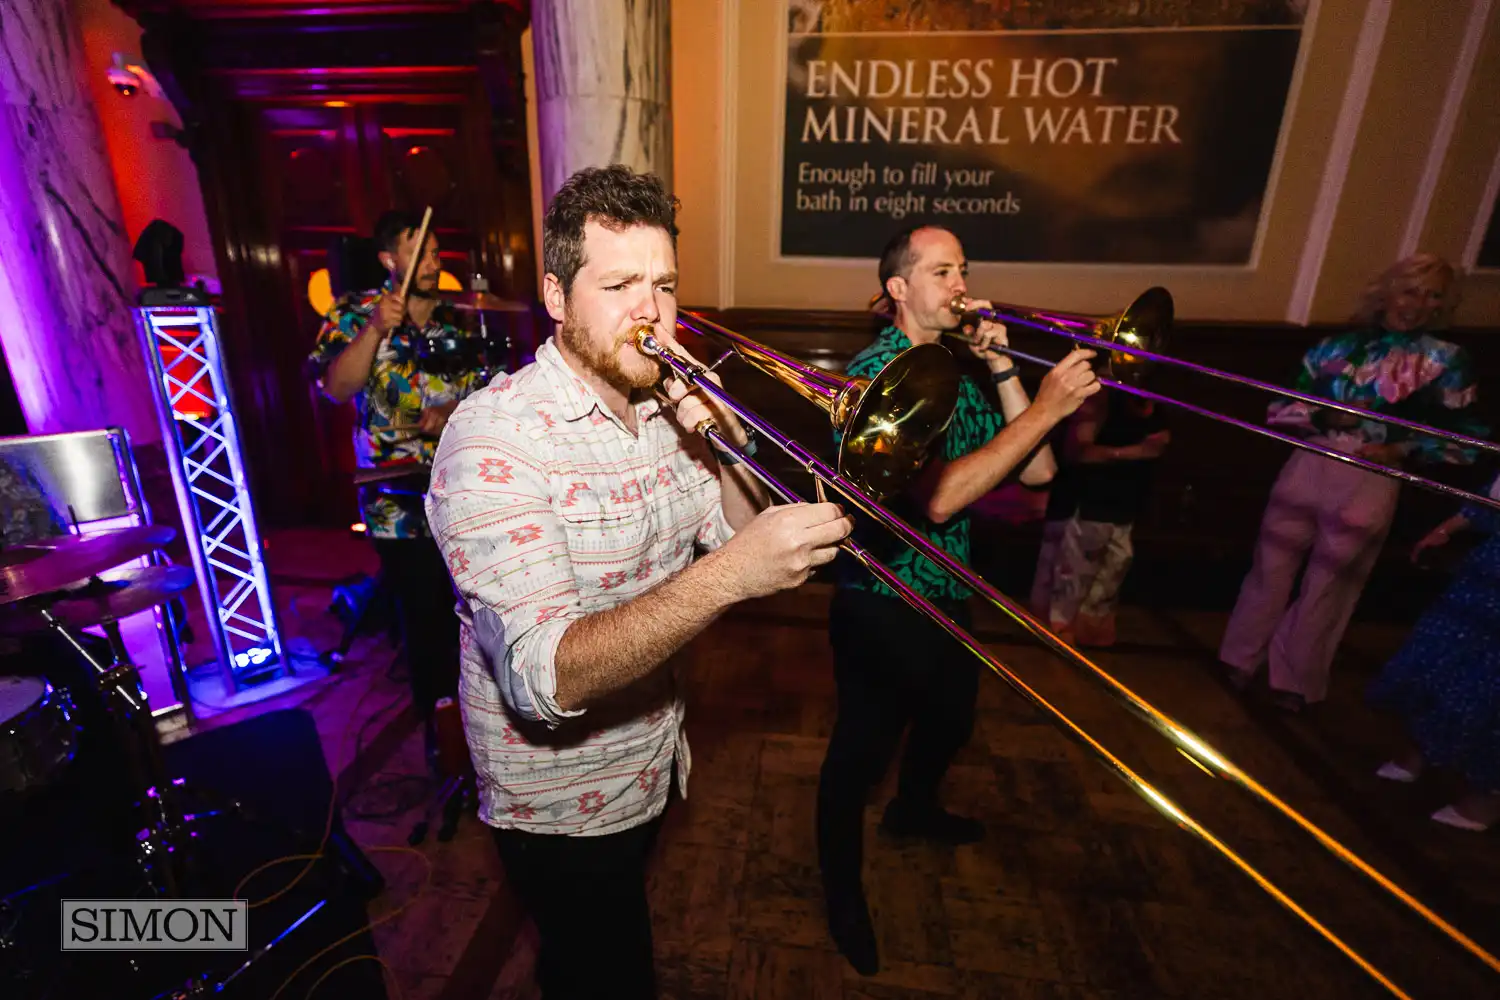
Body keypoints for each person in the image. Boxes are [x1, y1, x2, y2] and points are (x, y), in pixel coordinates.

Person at [424, 165, 852, 1000]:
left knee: (588, 954)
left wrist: (724, 437)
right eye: (617, 284)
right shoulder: (495, 443)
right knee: (611, 971)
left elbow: (731, 529)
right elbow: (545, 676)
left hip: (655, 757)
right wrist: (728, 577)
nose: (649, 312)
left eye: (662, 285)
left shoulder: (660, 409)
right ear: (555, 295)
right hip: (556, 800)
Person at [817, 224, 1100, 976]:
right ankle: (842, 896)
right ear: (899, 289)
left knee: (951, 719)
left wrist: (1005, 368)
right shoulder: (881, 376)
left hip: (951, 589)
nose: (961, 283)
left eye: (963, 269)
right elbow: (940, 498)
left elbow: (1036, 474)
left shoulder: (961, 369)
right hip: (881, 596)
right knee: (859, 753)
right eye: (941, 271)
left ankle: (915, 809)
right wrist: (1045, 408)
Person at [1217, 253, 1488, 714]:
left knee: (1332, 581)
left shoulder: (1446, 360)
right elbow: (1280, 408)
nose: (1417, 304)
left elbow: (1465, 439)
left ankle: (1295, 679)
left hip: (1373, 475)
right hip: (1311, 459)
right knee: (1271, 566)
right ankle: (1239, 659)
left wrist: (1401, 449)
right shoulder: (1334, 348)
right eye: (1410, 290)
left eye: (1432, 295)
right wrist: (1321, 415)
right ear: (1387, 292)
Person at [307, 211, 483, 737]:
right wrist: (376, 330)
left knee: (473, 615)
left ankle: (486, 723)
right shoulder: (353, 312)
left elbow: (485, 390)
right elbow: (335, 387)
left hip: (460, 488)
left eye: (435, 249)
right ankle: (443, 733)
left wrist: (454, 409)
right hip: (394, 499)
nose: (432, 260)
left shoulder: (456, 319)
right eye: (419, 250)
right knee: (424, 617)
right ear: (390, 260)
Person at [1368, 472, 1500, 832]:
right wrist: (1446, 528)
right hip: (1487, 573)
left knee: (1489, 685)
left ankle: (1486, 798)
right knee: (1440, 653)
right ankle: (1418, 753)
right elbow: (1489, 499)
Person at [1030, 389, 1169, 647]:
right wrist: (1138, 451)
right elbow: (1078, 452)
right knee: (1070, 587)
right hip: (1087, 507)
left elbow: (1160, 442)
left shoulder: (1148, 397)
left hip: (1122, 507)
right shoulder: (1098, 395)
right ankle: (1056, 645)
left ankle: (1081, 643)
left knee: (1107, 585)